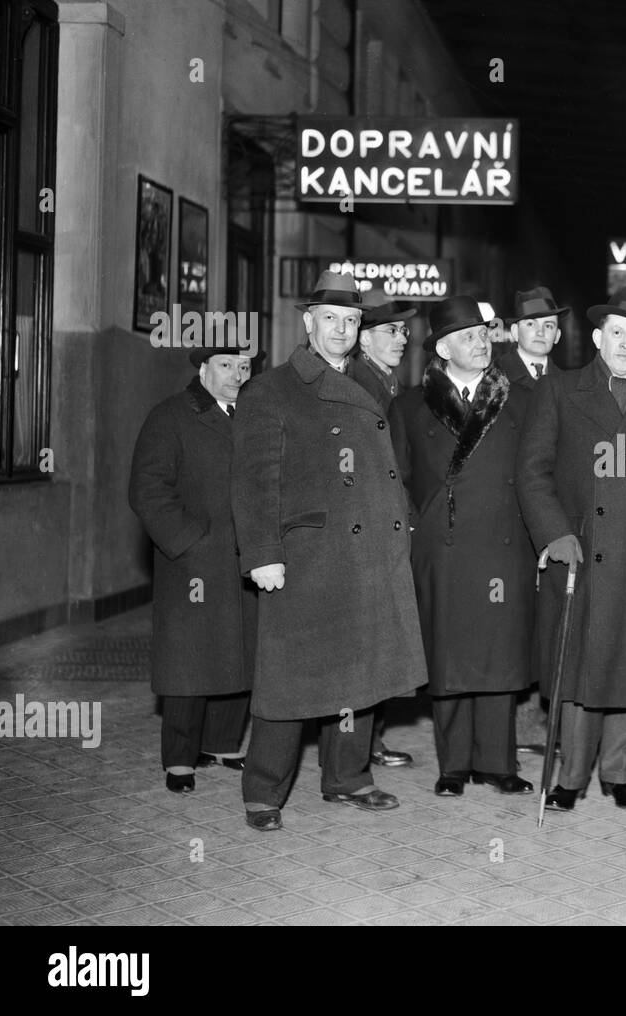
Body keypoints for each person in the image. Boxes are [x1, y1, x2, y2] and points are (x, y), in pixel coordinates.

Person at [231, 270, 427, 832]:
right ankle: (264, 790)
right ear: (307, 321)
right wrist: (262, 554)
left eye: (350, 320)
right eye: (330, 319)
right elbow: (252, 482)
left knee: (360, 676)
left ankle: (348, 777)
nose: (340, 329)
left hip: (366, 556)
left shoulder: (370, 384)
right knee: (288, 678)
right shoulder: (272, 390)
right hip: (306, 555)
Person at [517, 287, 626, 812]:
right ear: (599, 338)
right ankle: (570, 777)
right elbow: (532, 474)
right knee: (578, 670)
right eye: (617, 332)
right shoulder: (560, 391)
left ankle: (619, 772)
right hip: (581, 554)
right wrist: (554, 534)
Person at [388, 296, 536, 798]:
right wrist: (414, 534)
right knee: (448, 655)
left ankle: (498, 763)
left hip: (503, 544)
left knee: (499, 654)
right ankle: (452, 766)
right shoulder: (409, 405)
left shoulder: (520, 400)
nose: (481, 343)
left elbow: (538, 475)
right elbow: (397, 480)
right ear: (444, 347)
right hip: (442, 547)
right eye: (469, 336)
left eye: (484, 334)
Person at [128, 348, 255, 793]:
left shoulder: (255, 414)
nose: (236, 374)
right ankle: (180, 757)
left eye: (244, 366)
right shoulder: (170, 416)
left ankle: (223, 742)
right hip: (194, 563)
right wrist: (189, 542)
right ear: (202, 369)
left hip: (246, 557)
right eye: (226, 365)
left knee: (240, 651)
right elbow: (147, 490)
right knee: (189, 661)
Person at [350, 286, 417, 769]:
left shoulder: (384, 381)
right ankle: (357, 750)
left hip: (388, 526)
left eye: (403, 331)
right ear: (364, 339)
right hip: (369, 532)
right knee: (367, 643)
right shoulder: (361, 384)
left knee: (381, 640)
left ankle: (369, 742)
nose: (401, 339)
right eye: (390, 331)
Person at [499, 286, 568, 389]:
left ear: (557, 336)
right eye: (531, 324)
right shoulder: (494, 376)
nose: (540, 332)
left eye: (548, 326)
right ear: (515, 331)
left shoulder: (566, 384)